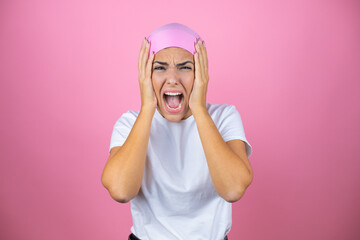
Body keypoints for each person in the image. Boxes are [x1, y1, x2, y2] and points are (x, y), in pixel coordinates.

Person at [101, 23, 254, 240]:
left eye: (185, 67)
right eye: (160, 68)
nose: (172, 78)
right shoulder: (130, 123)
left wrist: (199, 108)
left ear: (200, 74)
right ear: (146, 76)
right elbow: (121, 191)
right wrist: (147, 108)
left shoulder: (224, 117)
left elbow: (233, 189)